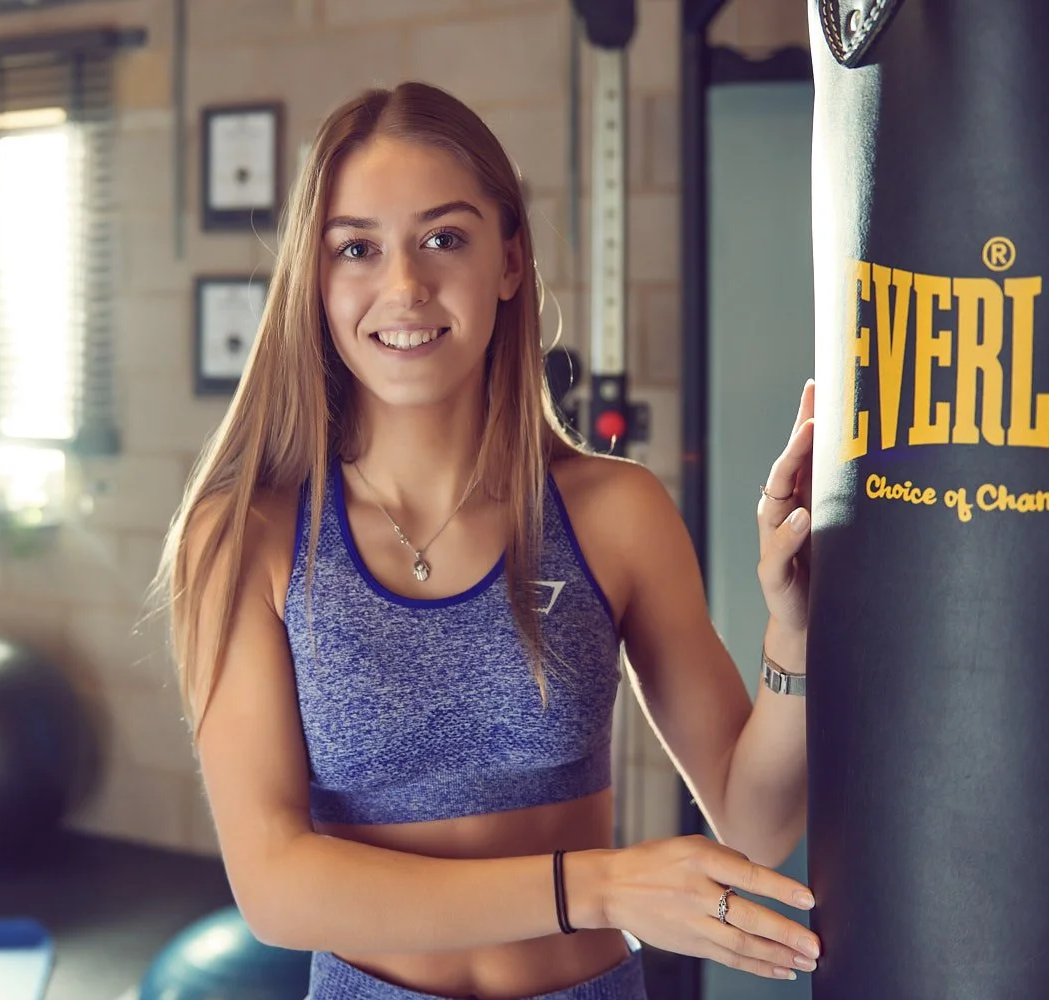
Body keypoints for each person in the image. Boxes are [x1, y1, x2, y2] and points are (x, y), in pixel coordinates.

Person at [157, 80, 819, 1000]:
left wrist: (793, 636)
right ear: (315, 279)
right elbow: (274, 887)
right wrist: (595, 885)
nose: (405, 287)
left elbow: (755, 825)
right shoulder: (247, 537)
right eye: (357, 248)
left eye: (443, 238)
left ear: (509, 260)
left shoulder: (613, 513)